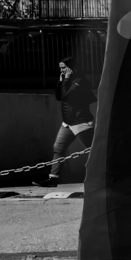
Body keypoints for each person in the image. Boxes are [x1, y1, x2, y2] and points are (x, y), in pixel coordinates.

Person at [45, 56, 96, 186]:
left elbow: (67, 96)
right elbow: (59, 97)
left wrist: (66, 79)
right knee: (58, 149)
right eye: (60, 68)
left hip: (81, 122)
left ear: (71, 67)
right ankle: (53, 179)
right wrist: (60, 81)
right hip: (68, 122)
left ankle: (103, 177)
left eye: (64, 68)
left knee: (94, 150)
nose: (61, 70)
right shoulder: (67, 80)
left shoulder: (79, 80)